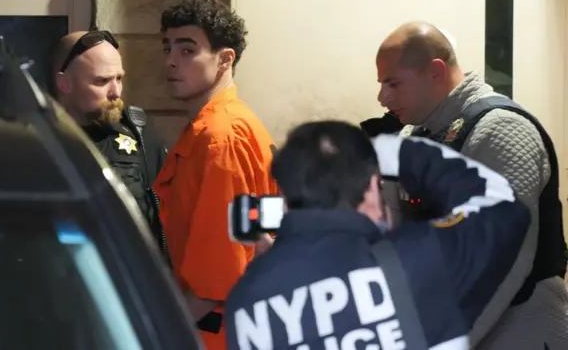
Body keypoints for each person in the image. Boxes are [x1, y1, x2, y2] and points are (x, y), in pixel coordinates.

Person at [224, 120, 530, 350]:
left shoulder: (244, 302)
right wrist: (392, 150)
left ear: (285, 197)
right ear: (371, 188)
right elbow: (504, 205)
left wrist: (273, 269)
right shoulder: (422, 259)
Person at [376, 21, 568, 349]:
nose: (382, 97)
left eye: (393, 84)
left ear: (435, 72)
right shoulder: (415, 136)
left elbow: (499, 267)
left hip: (521, 329)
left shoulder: (501, 131)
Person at [153, 0, 278, 350]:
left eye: (187, 50)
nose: (171, 61)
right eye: (168, 48)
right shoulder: (227, 124)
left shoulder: (218, 138)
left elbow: (216, 280)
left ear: (225, 60)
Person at [51, 30, 169, 260]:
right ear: (64, 83)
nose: (116, 92)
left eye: (119, 78)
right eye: (102, 81)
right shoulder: (40, 143)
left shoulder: (139, 136)